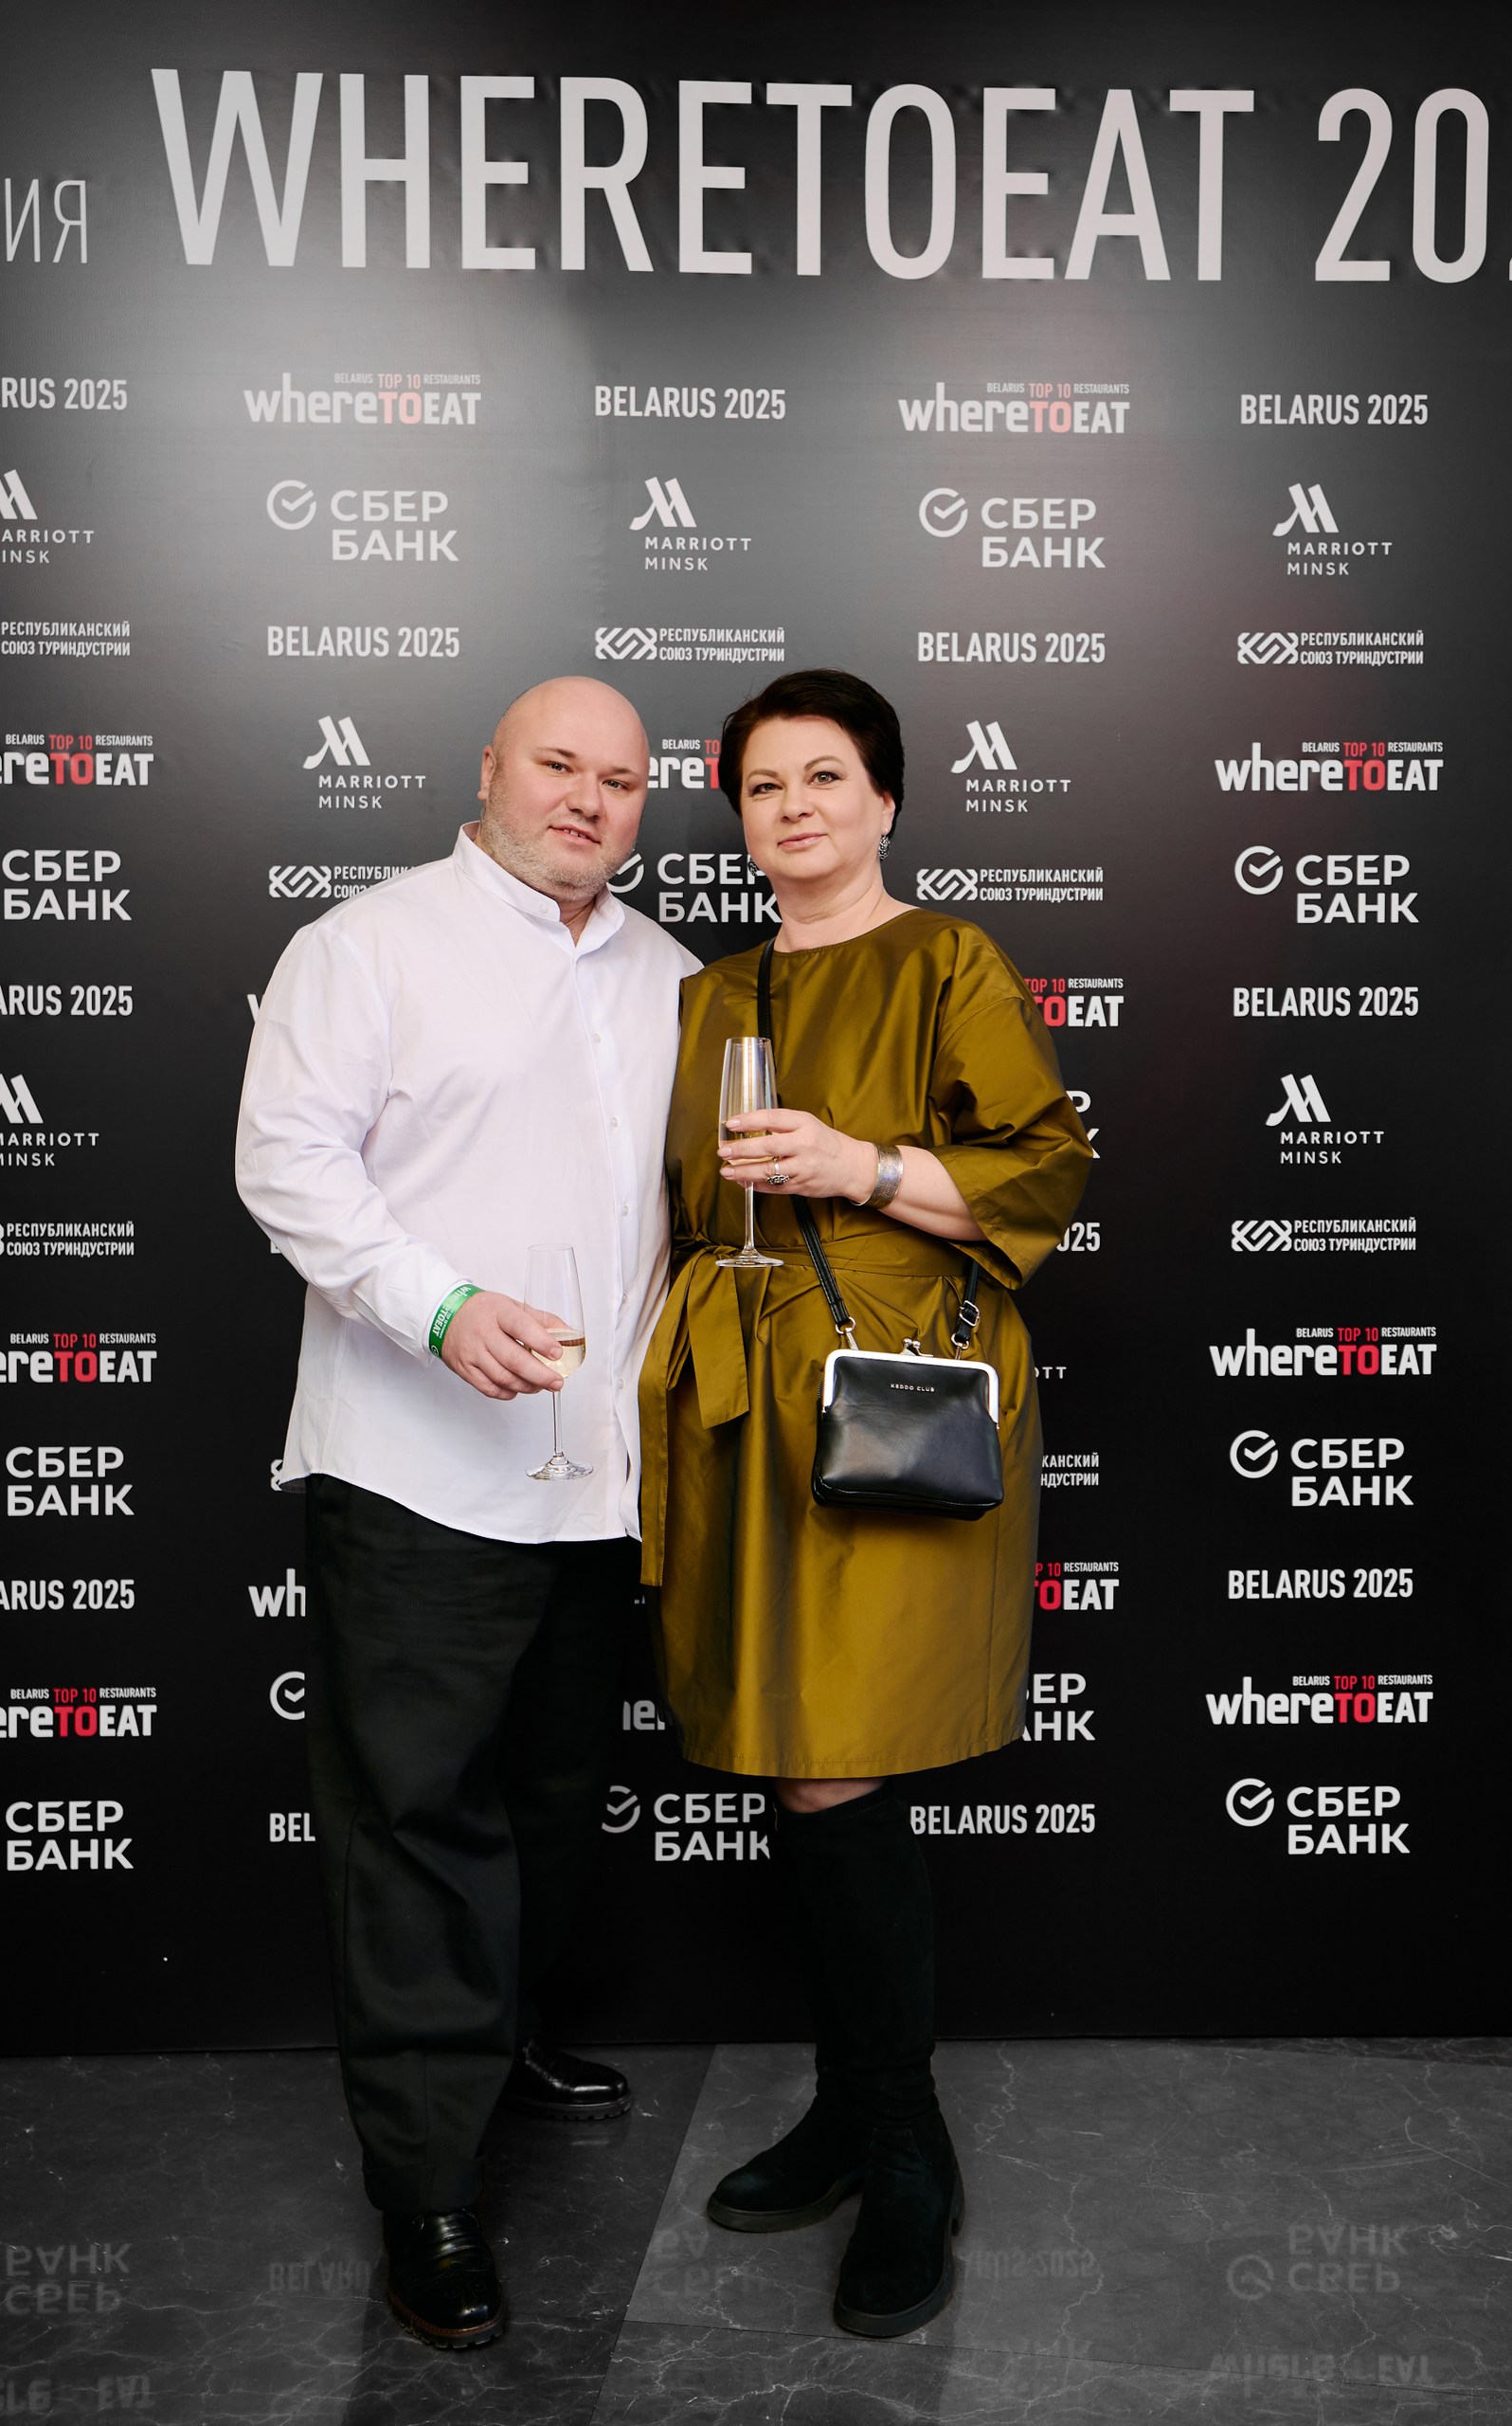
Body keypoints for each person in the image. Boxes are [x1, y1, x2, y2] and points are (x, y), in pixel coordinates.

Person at [236, 677, 698, 2351]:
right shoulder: (365, 947)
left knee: (552, 1799)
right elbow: (288, 1163)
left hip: (598, 1487)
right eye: (559, 765)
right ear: (490, 770)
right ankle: (426, 2187)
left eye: (622, 780)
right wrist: (440, 1309)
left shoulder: (670, 975)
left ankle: (496, 2044)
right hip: (418, 1473)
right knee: (417, 1824)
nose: (589, 799)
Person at [639, 668, 1092, 2339]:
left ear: (886, 800)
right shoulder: (709, 991)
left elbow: (1046, 1169)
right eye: (764, 788)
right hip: (737, 1401)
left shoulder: (946, 959)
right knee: (795, 1751)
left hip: (888, 1388)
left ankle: (904, 2142)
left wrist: (865, 1167)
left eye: (825, 778)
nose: (795, 809)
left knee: (837, 1750)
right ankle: (853, 2109)